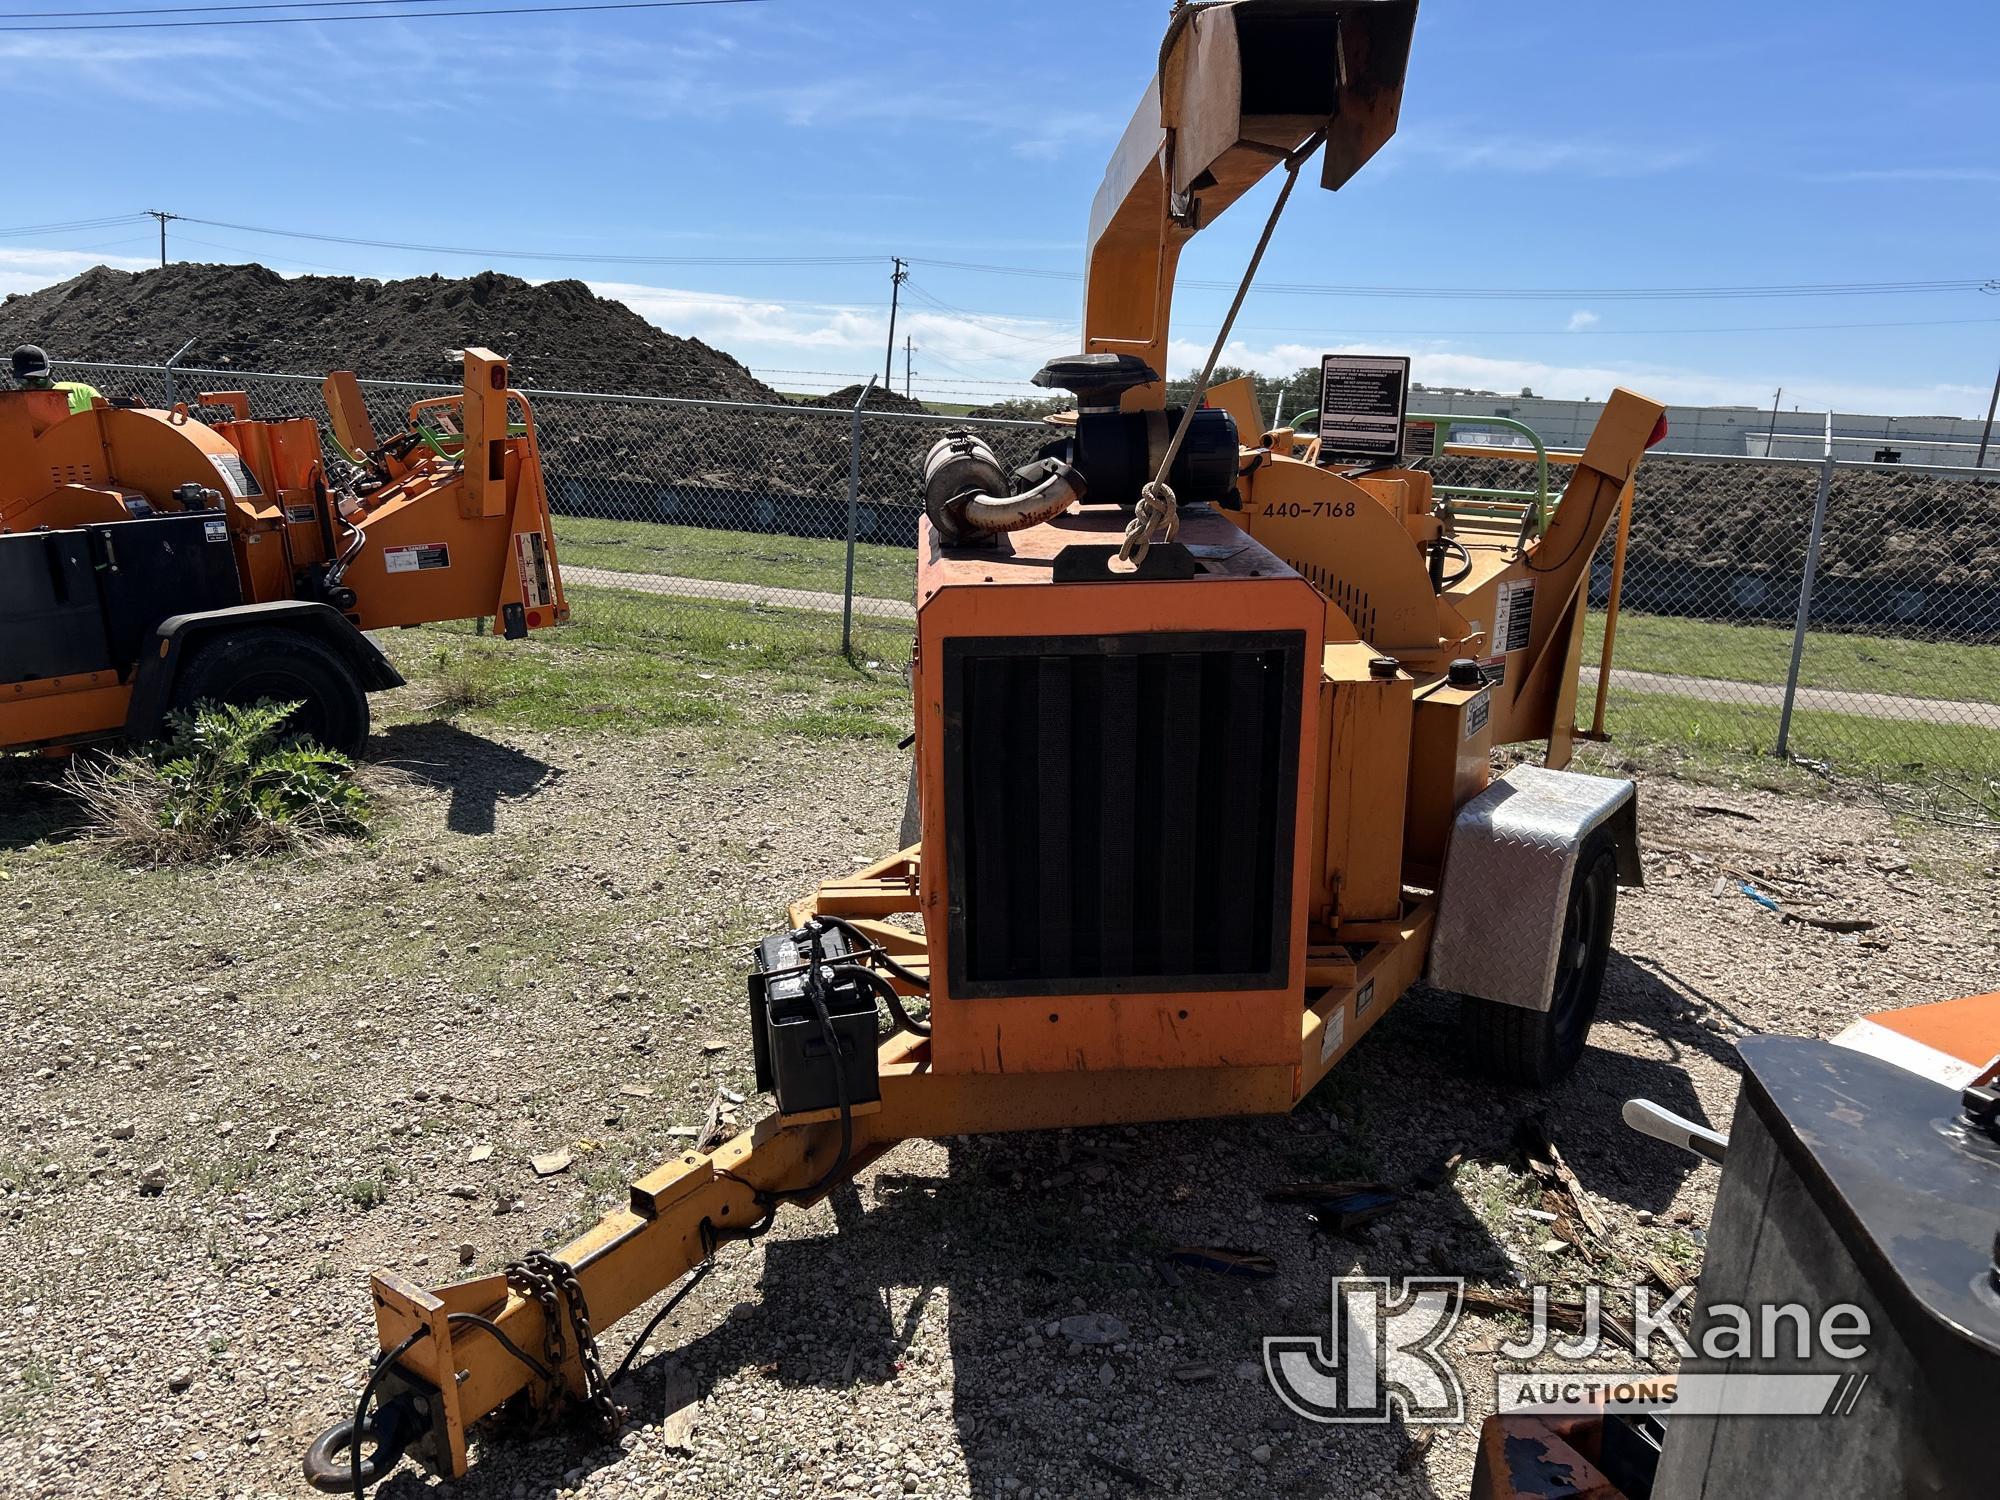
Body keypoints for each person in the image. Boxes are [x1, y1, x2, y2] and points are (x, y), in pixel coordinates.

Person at [10, 345, 101, 415]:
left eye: (39, 380)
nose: (32, 386)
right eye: (24, 381)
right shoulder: (13, 404)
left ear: (50, 373)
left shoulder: (82, 393)